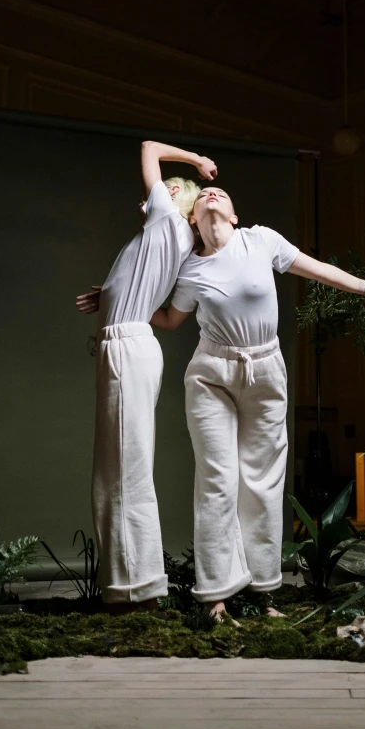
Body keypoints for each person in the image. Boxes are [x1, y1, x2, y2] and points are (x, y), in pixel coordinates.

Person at [151, 186, 365, 621]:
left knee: (264, 480)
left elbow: (319, 270)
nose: (213, 193)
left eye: (222, 193)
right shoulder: (190, 270)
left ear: (234, 216)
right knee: (218, 479)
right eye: (204, 195)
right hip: (212, 373)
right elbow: (169, 320)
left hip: (266, 371)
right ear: (192, 219)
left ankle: (262, 592)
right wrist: (117, 298)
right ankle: (215, 594)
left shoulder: (260, 241)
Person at [77, 142, 217, 614]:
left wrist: (196, 162)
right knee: (117, 469)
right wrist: (111, 295)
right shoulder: (161, 236)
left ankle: (138, 590)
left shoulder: (167, 219)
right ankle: (130, 586)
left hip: (127, 349)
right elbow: (151, 297)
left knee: (123, 471)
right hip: (125, 342)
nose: (148, 196)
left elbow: (148, 147)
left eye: (166, 188)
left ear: (175, 197)